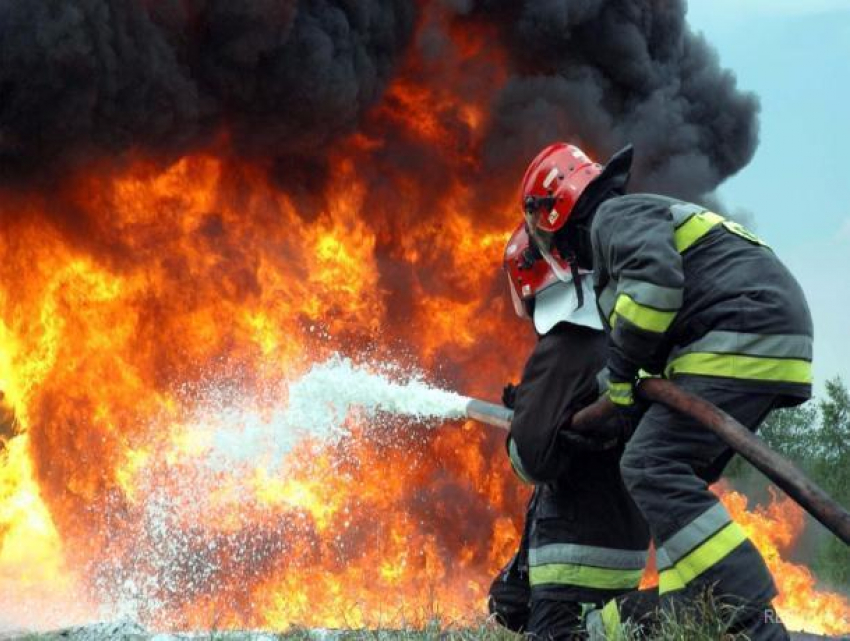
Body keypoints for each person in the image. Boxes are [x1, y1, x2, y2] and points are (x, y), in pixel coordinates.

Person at [519, 142, 813, 640]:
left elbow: (655, 291)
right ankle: (697, 609)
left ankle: (752, 617)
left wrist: (619, 373)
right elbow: (650, 342)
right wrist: (615, 399)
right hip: (761, 329)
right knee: (674, 479)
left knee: (647, 466)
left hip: (742, 326)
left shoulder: (613, 218)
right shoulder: (629, 225)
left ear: (553, 214)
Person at [488, 222, 651, 639]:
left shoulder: (563, 346)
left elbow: (533, 461)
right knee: (507, 603)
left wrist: (525, 424)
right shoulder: (618, 339)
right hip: (624, 541)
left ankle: (643, 621)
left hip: (575, 553)